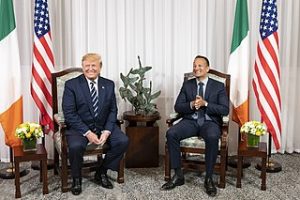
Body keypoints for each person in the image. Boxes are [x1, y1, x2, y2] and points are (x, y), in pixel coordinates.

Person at [161, 55, 229, 197]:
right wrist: (192, 104)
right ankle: (178, 175)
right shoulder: (188, 84)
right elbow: (178, 106)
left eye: (199, 66)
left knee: (212, 136)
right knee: (171, 133)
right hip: (191, 121)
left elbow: (224, 109)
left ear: (207, 68)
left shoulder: (218, 86)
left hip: (209, 122)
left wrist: (206, 104)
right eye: (194, 66)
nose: (196, 68)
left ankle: (208, 178)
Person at [62, 53, 129, 195]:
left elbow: (112, 110)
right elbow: (69, 114)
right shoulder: (72, 85)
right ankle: (76, 179)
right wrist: (87, 132)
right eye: (87, 65)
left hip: (103, 125)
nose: (90, 69)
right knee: (75, 146)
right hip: (80, 127)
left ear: (100, 67)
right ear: (82, 67)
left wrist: (107, 131)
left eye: (93, 65)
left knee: (123, 141)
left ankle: (102, 171)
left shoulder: (108, 84)